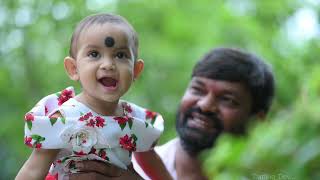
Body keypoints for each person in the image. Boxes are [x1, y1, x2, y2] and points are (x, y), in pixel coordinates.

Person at [72, 47, 275, 179]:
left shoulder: (271, 174)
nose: (205, 105)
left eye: (227, 99)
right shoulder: (124, 168)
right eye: (198, 90)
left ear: (258, 120)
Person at [16, 13, 172, 180]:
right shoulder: (63, 119)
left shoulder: (135, 120)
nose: (108, 65)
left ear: (135, 70)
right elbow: (33, 171)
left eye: (120, 55)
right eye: (94, 54)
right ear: (73, 69)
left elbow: (151, 163)